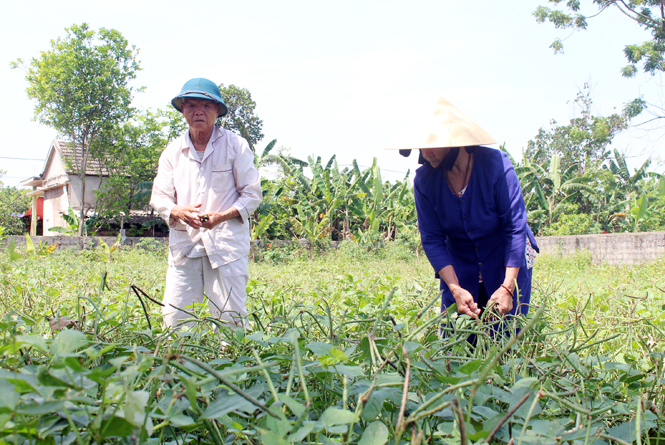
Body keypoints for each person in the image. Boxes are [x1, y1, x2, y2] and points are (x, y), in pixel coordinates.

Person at [389, 98, 538, 319]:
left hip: (505, 258)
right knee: (460, 334)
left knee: (505, 329)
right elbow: (431, 238)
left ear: (454, 141)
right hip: (460, 261)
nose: (426, 153)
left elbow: (515, 228)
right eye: (422, 146)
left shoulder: (496, 166)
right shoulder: (425, 181)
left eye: (433, 145)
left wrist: (507, 288)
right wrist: (455, 288)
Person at [150, 78, 262, 328]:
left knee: (231, 320)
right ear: (182, 111)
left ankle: (231, 363)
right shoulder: (172, 152)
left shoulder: (235, 145)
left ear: (217, 111)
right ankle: (177, 365)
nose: (198, 111)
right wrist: (176, 210)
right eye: (190, 105)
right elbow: (159, 196)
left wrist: (221, 217)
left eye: (206, 106)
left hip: (226, 245)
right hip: (185, 245)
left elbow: (252, 194)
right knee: (175, 318)